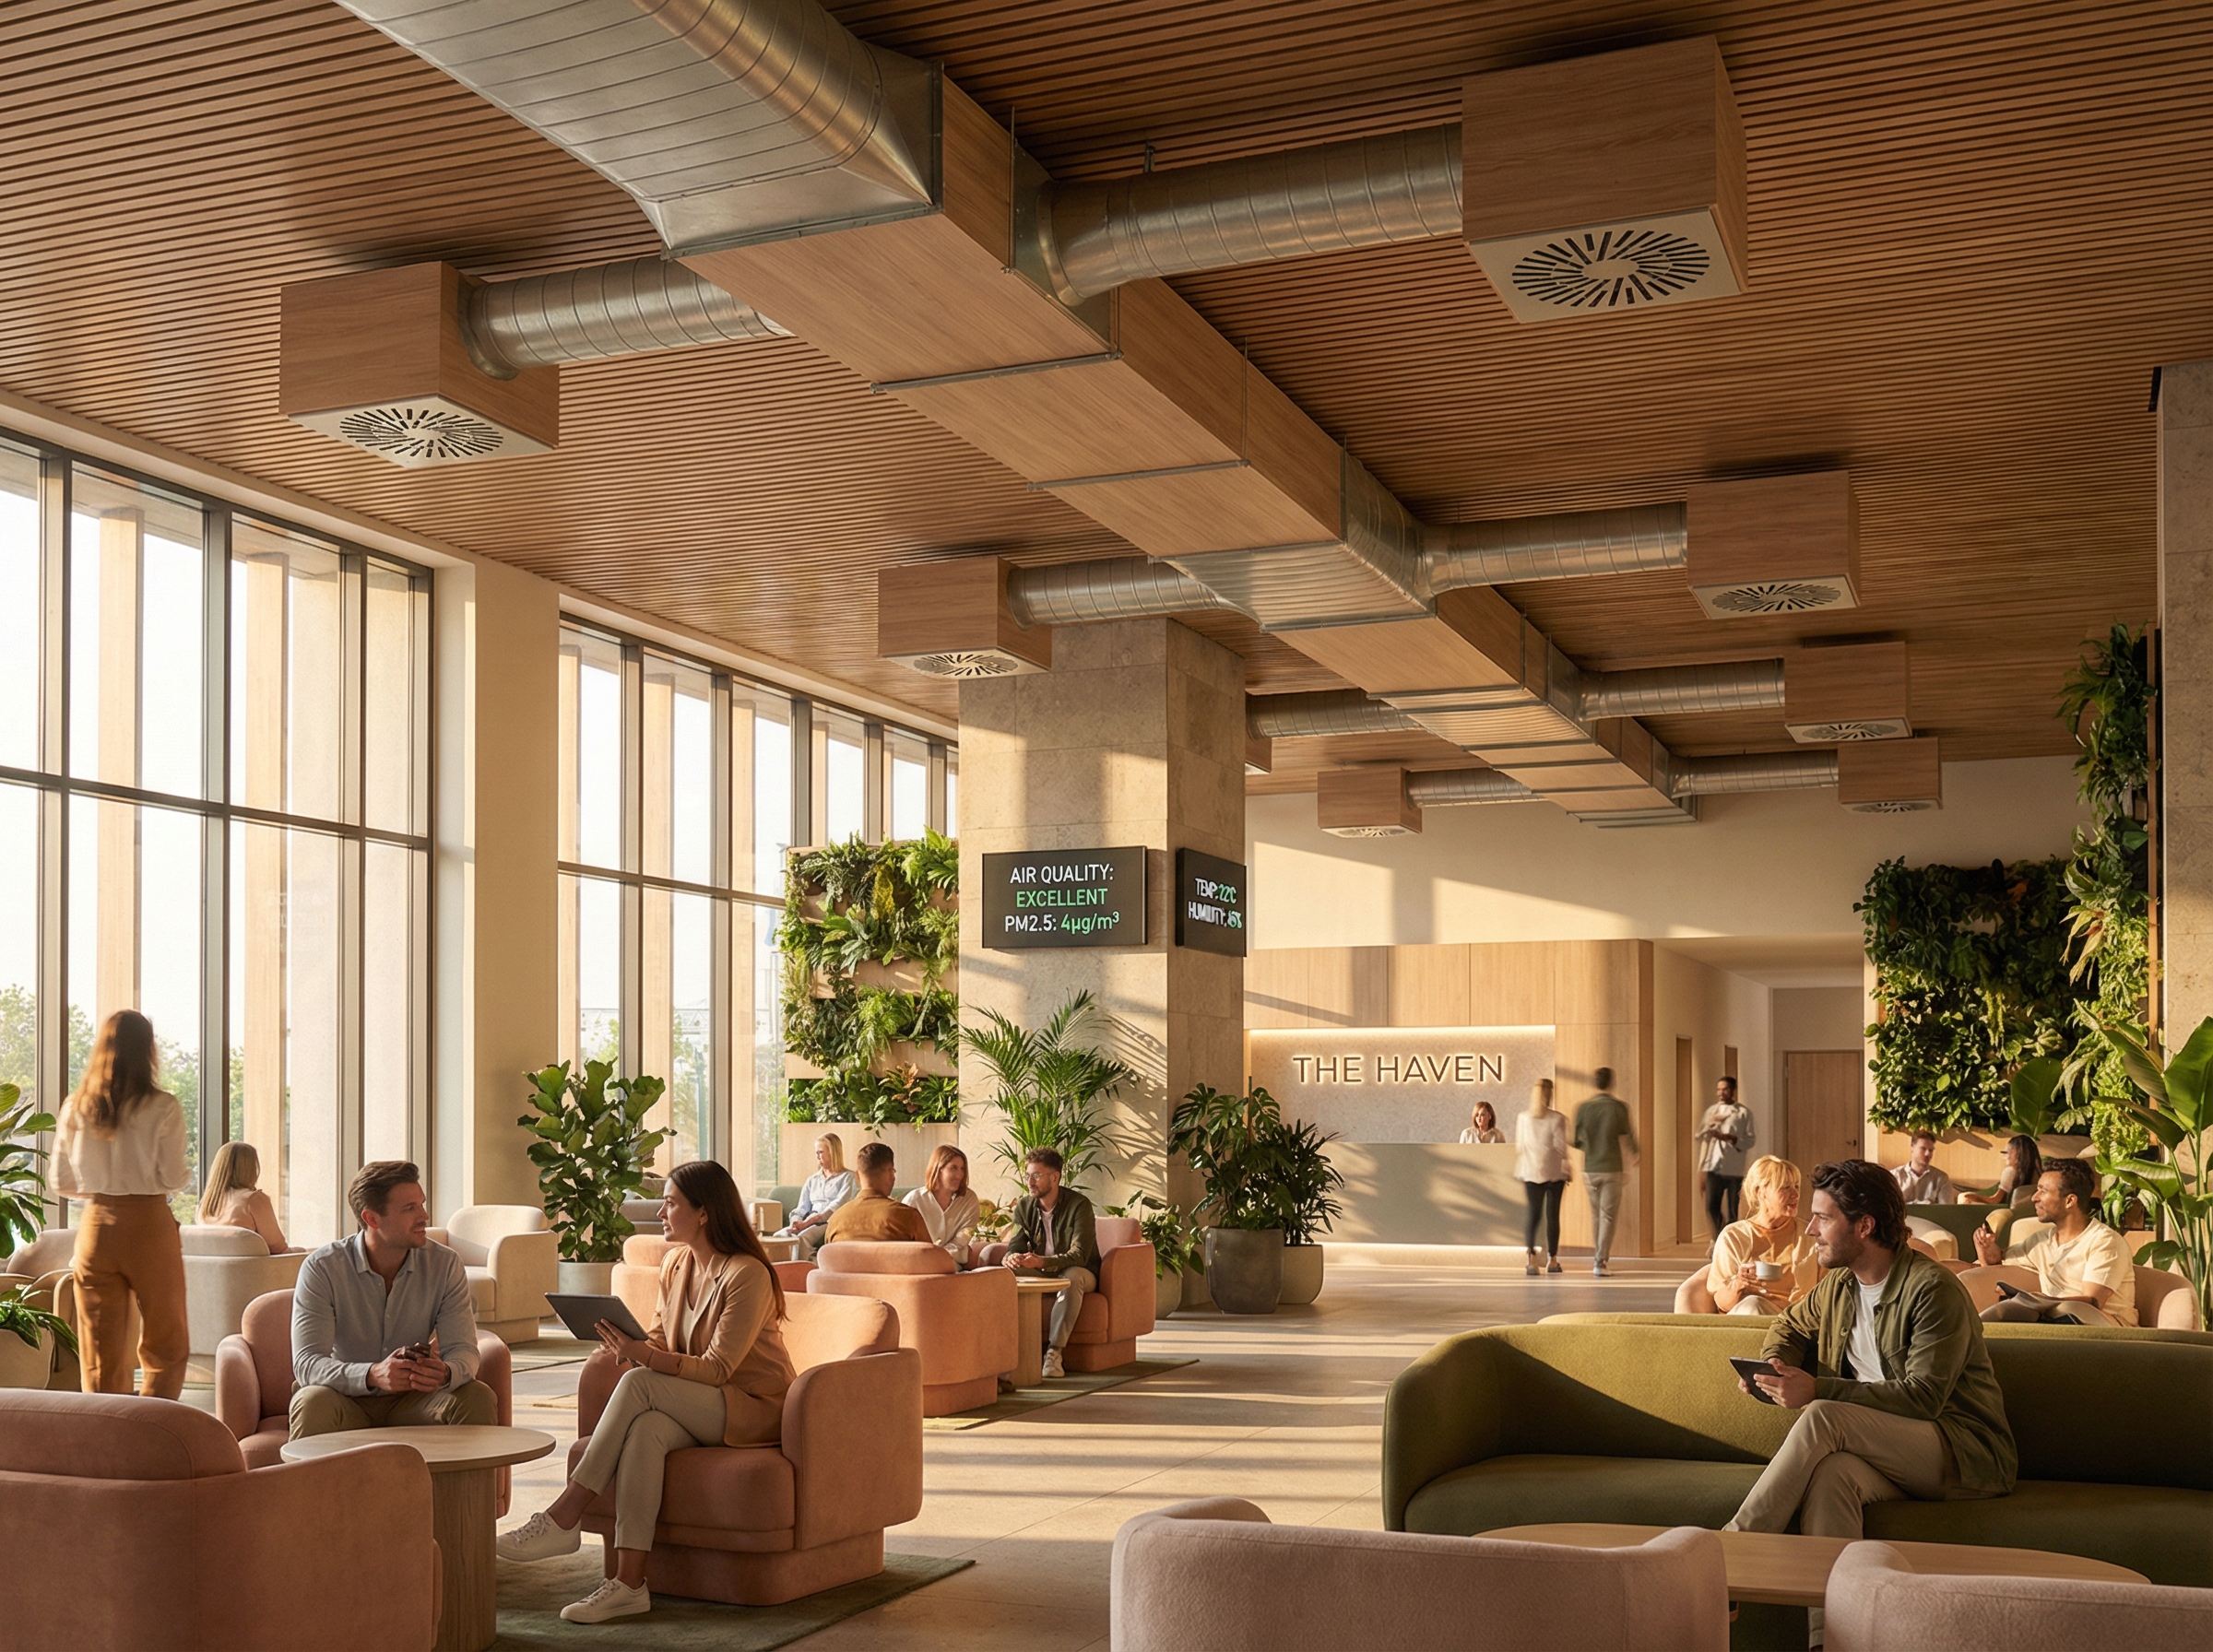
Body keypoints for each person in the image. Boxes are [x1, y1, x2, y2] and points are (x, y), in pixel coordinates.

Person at [498, 1160, 795, 1624]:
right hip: (697, 1401)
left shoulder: (746, 1274)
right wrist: (626, 1344)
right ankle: (629, 1584)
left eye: (670, 1204)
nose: (660, 1213)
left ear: (704, 1213)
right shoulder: (676, 1264)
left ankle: (566, 1513)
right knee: (647, 1431)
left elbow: (719, 1369)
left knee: (639, 1383)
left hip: (752, 1407)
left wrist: (644, 1358)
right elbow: (658, 1340)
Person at [1724, 1158, 2015, 1540]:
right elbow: (1789, 1325)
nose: (1811, 1229)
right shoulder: (1840, 1284)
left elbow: (1924, 1398)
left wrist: (1817, 1389)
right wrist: (1775, 1365)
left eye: (1823, 1219)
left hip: (1961, 1450)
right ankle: (1836, 1583)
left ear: (1864, 1226)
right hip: (1887, 1446)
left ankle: (1733, 1547)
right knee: (1833, 1476)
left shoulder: (1932, 1290)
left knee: (1824, 1415)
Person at [289, 1160, 497, 1439]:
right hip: (345, 1398)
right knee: (311, 1401)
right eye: (410, 1208)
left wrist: (446, 1373)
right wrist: (372, 1374)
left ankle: (473, 1473)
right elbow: (308, 1363)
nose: (424, 1216)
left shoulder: (445, 1264)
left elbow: (463, 1349)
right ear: (372, 1219)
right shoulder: (323, 1268)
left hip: (415, 1400)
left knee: (476, 1395)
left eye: (422, 1204)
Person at [52, 1009, 191, 1398]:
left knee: (100, 1349)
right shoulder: (163, 1106)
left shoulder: (76, 1107)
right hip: (149, 1226)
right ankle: (153, 1423)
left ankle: (105, 1427)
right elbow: (173, 1178)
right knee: (166, 1341)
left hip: (96, 1226)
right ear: (148, 1050)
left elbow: (61, 1181)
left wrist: (102, 1191)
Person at [1971, 1158, 2136, 1327]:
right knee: (2002, 1312)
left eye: (2042, 1191)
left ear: (2070, 1201)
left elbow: (2093, 1303)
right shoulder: (2041, 1241)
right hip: (2055, 1322)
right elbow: (1996, 1263)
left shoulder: (2105, 1241)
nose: (2034, 1198)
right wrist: (1985, 1247)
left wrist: (2039, 1300)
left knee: (2066, 1309)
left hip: (2108, 1328)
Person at [1003, 1148, 1098, 1380]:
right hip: (1042, 1269)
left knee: (1071, 1277)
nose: (1030, 1182)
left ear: (1055, 1177)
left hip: (1080, 1271)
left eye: (1036, 1176)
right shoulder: (1024, 1206)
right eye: (1027, 1175)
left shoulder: (1079, 1205)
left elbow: (1080, 1254)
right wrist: (1012, 1257)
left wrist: (1043, 1261)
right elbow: (1015, 1244)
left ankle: (1054, 1353)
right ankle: (1005, 1354)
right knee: (1002, 1274)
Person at [1707, 1156, 1820, 1315]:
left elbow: (1828, 1289)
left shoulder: (1810, 1234)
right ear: (1760, 1192)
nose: (1795, 1194)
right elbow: (1723, 1305)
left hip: (1797, 1318)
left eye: (1797, 1187)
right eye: (1786, 1187)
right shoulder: (1734, 1236)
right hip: (1751, 1317)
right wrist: (1738, 1284)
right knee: (1753, 1305)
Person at [1572, 1067, 1639, 1278]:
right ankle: (1600, 1261)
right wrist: (1635, 1154)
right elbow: (1628, 1137)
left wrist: (1590, 1147)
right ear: (1611, 1082)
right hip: (1612, 1167)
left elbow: (1575, 1140)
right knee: (1608, 1216)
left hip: (1590, 1168)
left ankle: (1598, 1257)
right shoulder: (1619, 1108)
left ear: (1595, 1083)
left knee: (1595, 1215)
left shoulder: (1583, 1108)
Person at [1514, 1080, 1571, 1277]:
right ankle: (1552, 1260)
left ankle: (1531, 1260)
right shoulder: (1558, 1118)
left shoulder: (1523, 1118)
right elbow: (1561, 1147)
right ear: (1549, 1094)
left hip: (1530, 1172)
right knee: (1552, 1216)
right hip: (1554, 1172)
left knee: (1533, 1215)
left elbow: (1520, 1146)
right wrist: (1567, 1167)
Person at [823, 1141, 933, 1243]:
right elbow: (930, 1255)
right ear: (891, 1175)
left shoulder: (835, 1221)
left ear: (857, 1176)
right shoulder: (907, 1216)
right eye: (893, 1171)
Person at [197, 1139, 291, 1252]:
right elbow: (277, 1248)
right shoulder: (253, 1199)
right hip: (254, 1264)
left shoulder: (205, 1204)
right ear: (251, 1168)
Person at [1695, 1075, 1757, 1239]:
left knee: (1732, 1211)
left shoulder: (1743, 1113)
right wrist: (1709, 1129)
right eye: (1719, 1090)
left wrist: (1732, 1139)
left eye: (1725, 1089)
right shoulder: (1712, 1111)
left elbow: (1750, 1140)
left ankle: (1730, 1241)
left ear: (1733, 1090)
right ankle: (1719, 1238)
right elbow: (1699, 1136)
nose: (1721, 1093)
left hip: (1734, 1168)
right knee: (1711, 1206)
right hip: (1713, 1166)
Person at [775, 1133, 856, 1258]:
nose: (817, 1156)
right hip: (808, 1219)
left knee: (801, 1239)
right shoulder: (812, 1180)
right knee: (779, 1236)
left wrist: (808, 1223)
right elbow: (802, 1207)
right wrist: (796, 1222)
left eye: (821, 1152)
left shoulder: (847, 1177)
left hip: (829, 1222)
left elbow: (838, 1205)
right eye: (816, 1153)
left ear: (833, 1152)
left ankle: (801, 1269)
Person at [904, 1143, 981, 1265]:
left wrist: (940, 1256)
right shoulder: (914, 1199)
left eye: (962, 1169)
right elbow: (904, 1240)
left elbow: (963, 1238)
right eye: (953, 1168)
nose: (959, 1175)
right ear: (939, 1169)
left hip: (955, 1263)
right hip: (920, 1263)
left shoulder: (969, 1199)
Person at [1961, 1135, 2041, 1210]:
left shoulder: (2010, 1172)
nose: (2005, 1157)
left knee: (1963, 1197)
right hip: (2026, 1212)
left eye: (2006, 1153)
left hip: (2006, 1212)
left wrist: (1975, 1198)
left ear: (2017, 1154)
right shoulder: (2039, 1174)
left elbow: (1995, 1200)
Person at [1890, 1129, 1957, 1204]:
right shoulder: (1894, 1176)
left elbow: (1946, 1209)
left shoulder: (1941, 1179)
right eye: (1923, 1149)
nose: (1927, 1154)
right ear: (1912, 1148)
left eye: (1931, 1150)